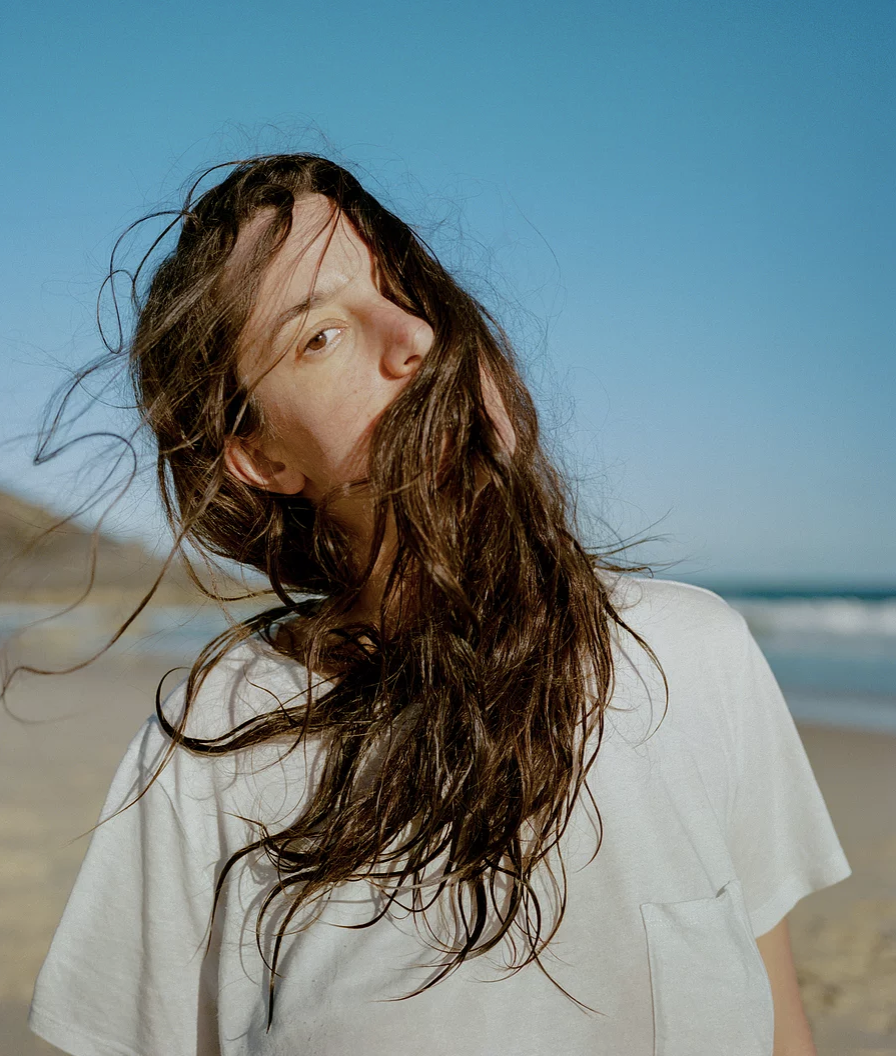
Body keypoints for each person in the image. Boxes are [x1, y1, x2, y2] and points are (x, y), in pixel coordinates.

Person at [27, 154, 849, 1055]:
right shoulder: (212, 739)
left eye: (406, 289)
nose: (417, 334)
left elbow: (778, 1020)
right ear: (264, 458)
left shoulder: (693, 655)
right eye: (321, 335)